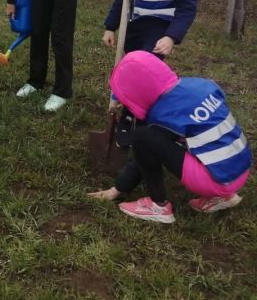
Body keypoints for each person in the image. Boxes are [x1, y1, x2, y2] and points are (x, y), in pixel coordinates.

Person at [87, 51, 251, 224]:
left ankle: (158, 206)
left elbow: (145, 152)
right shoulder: (197, 86)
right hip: (240, 169)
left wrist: (118, 188)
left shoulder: (165, 116)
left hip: (216, 181)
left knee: (143, 137)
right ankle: (224, 197)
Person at [103, 0, 197, 141]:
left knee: (141, 74)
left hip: (158, 29)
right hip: (134, 25)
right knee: (128, 68)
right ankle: (128, 114)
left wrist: (171, 36)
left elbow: (187, 7)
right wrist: (110, 25)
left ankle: (139, 119)